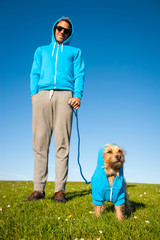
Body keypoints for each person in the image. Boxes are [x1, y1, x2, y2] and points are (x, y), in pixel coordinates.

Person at [24, 17, 85, 203]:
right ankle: (38, 190)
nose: (62, 32)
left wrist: (77, 95)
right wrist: (34, 95)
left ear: (69, 34)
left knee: (62, 145)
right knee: (40, 144)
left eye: (66, 30)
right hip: (42, 97)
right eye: (59, 28)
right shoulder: (41, 51)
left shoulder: (75, 52)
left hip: (65, 97)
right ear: (54, 29)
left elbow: (80, 74)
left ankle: (60, 191)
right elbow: (34, 72)